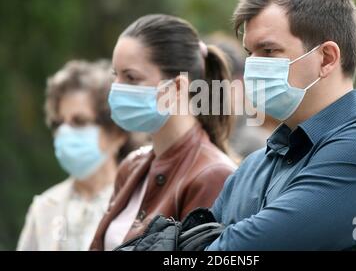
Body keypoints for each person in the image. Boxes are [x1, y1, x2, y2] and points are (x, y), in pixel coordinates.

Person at [206, 0, 356, 250]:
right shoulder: (256, 164)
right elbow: (195, 241)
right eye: (249, 53)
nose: (252, 68)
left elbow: (239, 251)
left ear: (327, 58)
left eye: (268, 51)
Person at [90, 14, 236, 251]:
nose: (116, 88)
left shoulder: (213, 176)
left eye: (131, 77)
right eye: (115, 75)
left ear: (177, 87)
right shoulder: (132, 165)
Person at [17, 60, 137, 251]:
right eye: (59, 123)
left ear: (117, 133)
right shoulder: (43, 208)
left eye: (79, 121)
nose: (65, 132)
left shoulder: (142, 201)